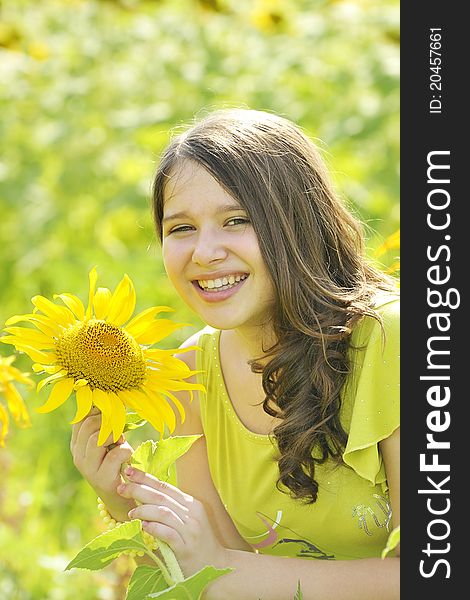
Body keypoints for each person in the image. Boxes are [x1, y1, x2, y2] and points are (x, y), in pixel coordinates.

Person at [71, 108, 400, 599]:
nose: (204, 252)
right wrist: (119, 497)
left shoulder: (394, 341)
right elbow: (216, 582)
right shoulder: (188, 377)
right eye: (181, 228)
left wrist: (221, 568)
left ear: (299, 223)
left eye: (237, 220)